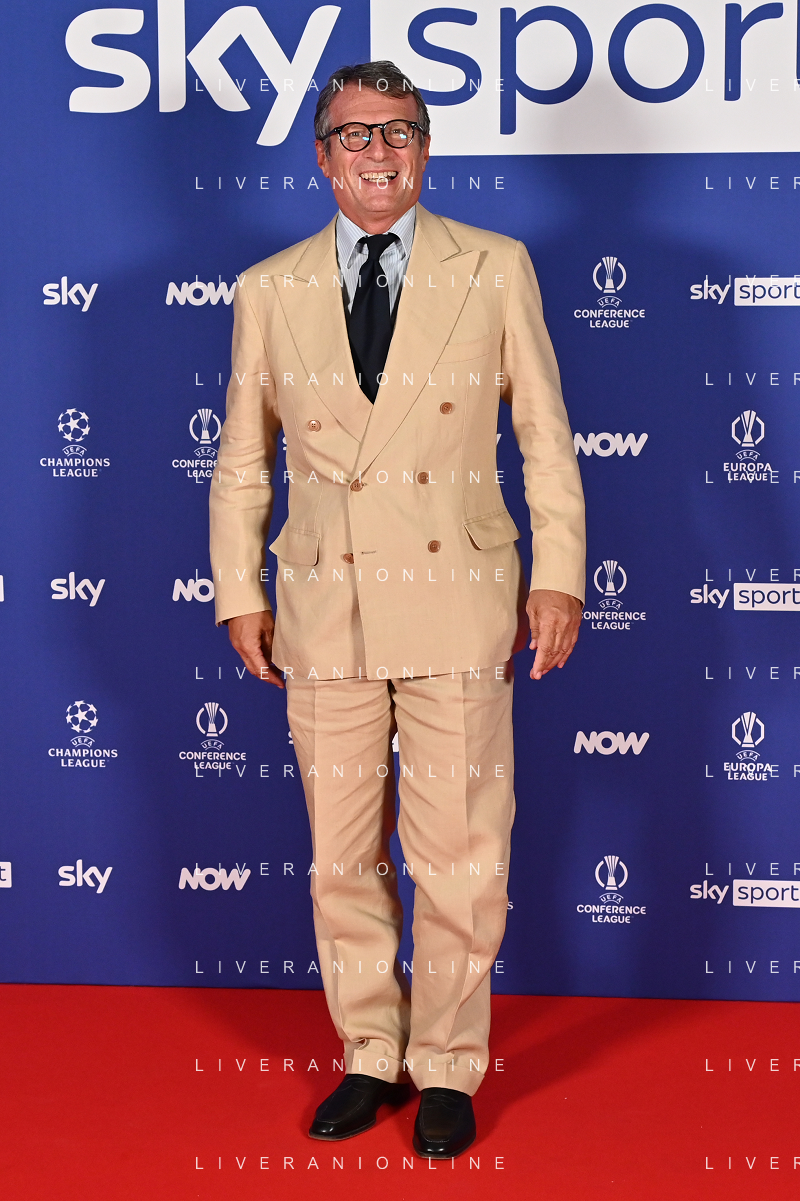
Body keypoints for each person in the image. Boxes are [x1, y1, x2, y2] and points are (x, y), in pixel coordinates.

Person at [209, 60, 585, 1159]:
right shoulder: (267, 288)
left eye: (398, 131)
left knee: (460, 850)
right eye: (355, 134)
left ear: (424, 149)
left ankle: (449, 1063)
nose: (377, 152)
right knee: (339, 857)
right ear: (322, 157)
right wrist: (238, 587)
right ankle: (372, 1049)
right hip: (324, 602)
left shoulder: (494, 266)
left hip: (457, 595)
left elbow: (544, 436)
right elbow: (242, 460)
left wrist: (558, 573)